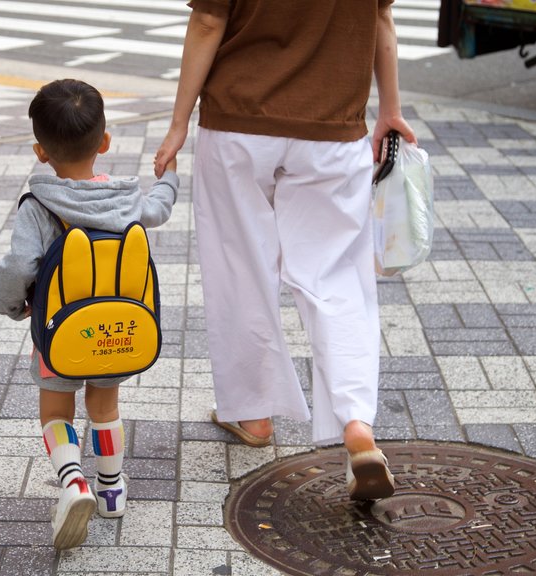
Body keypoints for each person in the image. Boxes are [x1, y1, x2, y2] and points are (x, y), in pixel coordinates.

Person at [153, 0, 417, 500]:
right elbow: (381, 17)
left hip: (237, 123)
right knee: (336, 279)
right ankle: (356, 424)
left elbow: (209, 20)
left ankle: (252, 413)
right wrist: (390, 111)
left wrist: (178, 123)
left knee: (240, 267)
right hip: (333, 130)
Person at [0, 79, 178, 549]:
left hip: (58, 333)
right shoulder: (123, 198)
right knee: (105, 405)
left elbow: (19, 265)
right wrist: (170, 176)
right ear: (105, 143)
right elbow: (159, 208)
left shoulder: (38, 206)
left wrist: (14, 305)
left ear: (40, 151)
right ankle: (112, 491)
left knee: (56, 409)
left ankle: (74, 481)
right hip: (116, 327)